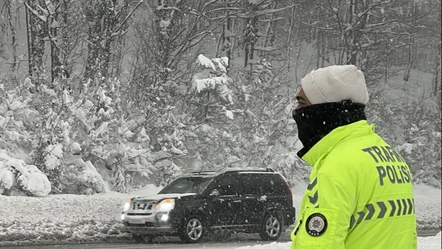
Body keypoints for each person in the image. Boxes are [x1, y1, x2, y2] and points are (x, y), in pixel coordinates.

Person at [290, 65, 417, 249]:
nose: (296, 111)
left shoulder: (336, 168)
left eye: (302, 103)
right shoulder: (391, 156)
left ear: (324, 108)